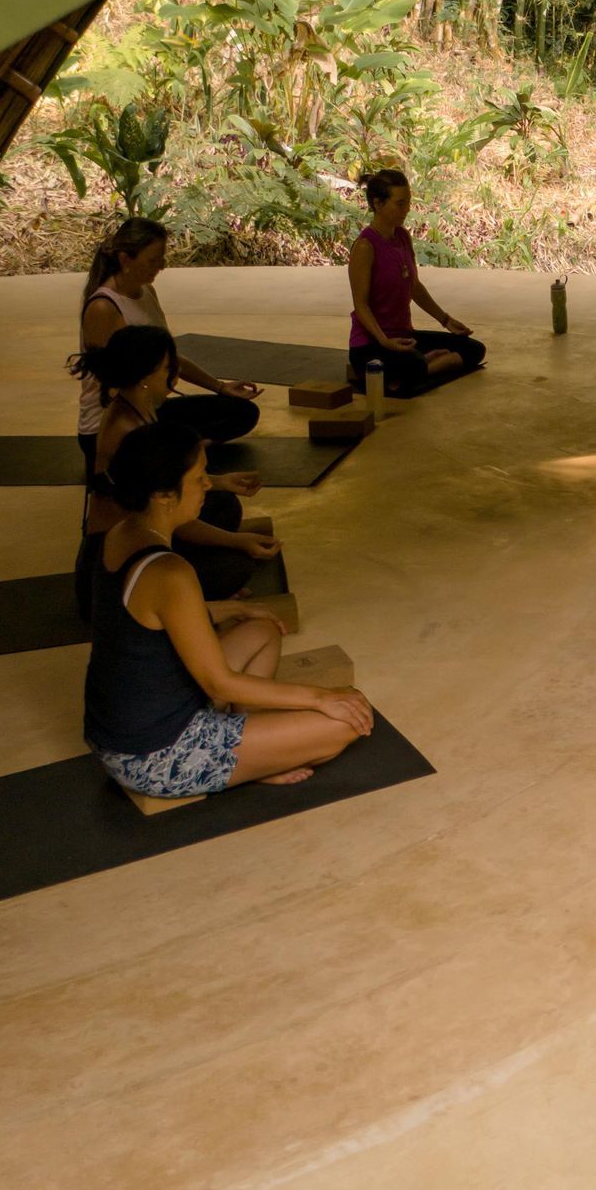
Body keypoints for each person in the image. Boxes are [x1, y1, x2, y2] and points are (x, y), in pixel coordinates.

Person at [84, 423, 372, 802]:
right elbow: (219, 684)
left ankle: (253, 748)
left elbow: (143, 619)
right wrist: (320, 697)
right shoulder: (170, 572)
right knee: (345, 721)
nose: (207, 485)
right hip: (154, 755)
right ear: (166, 496)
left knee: (262, 628)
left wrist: (232, 608)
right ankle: (254, 762)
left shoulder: (123, 533)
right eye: (200, 478)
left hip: (122, 729)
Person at [74, 325, 276, 618]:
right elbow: (167, 515)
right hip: (112, 574)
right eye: (169, 367)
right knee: (235, 568)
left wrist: (221, 482)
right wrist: (238, 541)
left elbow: (168, 499)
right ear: (145, 376)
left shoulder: (139, 406)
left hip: (146, 532)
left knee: (223, 504)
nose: (177, 373)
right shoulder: (125, 430)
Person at [76, 217, 260, 474]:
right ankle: (176, 453)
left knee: (242, 412)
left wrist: (220, 387)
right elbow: (116, 381)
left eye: (162, 258)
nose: (161, 266)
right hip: (114, 420)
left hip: (152, 407)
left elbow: (169, 355)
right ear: (125, 260)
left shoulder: (147, 291)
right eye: (153, 260)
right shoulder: (103, 307)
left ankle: (183, 450)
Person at [347, 167, 486, 396]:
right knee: (411, 366)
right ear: (378, 204)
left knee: (473, 349)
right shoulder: (365, 247)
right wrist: (385, 342)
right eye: (400, 203)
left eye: (408, 202)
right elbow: (360, 305)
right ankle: (422, 365)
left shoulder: (402, 237)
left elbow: (413, 286)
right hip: (371, 345)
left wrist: (446, 320)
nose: (407, 209)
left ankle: (421, 365)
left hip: (404, 338)